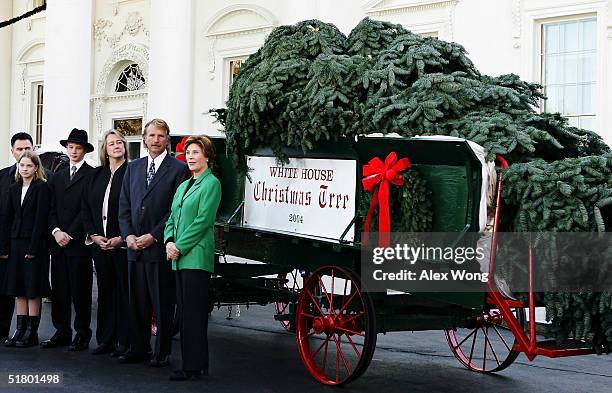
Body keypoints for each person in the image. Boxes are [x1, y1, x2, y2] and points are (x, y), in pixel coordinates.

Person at [118, 118, 189, 367]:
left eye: (160, 136)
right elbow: (124, 204)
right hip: (134, 247)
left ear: (167, 139)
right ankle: (138, 348)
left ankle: (162, 351)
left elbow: (176, 210)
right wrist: (127, 236)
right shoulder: (133, 167)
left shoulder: (178, 170)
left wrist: (154, 235)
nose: (155, 140)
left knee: (162, 302)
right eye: (151, 136)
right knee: (136, 302)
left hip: (158, 247)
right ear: (144, 139)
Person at [164, 136, 221, 381]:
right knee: (184, 313)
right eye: (188, 152)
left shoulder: (212, 184)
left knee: (193, 315)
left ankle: (193, 366)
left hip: (195, 258)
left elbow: (203, 221)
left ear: (207, 156)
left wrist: (180, 247)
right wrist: (168, 241)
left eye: (196, 152)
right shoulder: (184, 185)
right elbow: (171, 217)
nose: (190, 156)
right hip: (179, 257)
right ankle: (194, 363)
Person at [41, 128, 95, 351]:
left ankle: (82, 334)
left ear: (84, 150)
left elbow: (88, 209)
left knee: (81, 291)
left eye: (78, 148)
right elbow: (50, 208)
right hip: (58, 243)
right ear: (66, 148)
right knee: (60, 291)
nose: (73, 151)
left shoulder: (92, 174)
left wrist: (70, 233)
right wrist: (56, 231)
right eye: (70, 147)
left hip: (79, 244)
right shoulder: (58, 176)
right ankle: (61, 332)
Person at [82, 130, 129, 356]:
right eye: (112, 143)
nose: (117, 145)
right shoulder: (96, 174)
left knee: (123, 291)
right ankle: (105, 339)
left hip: (121, 243)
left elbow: (133, 209)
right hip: (99, 243)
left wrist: (121, 237)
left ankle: (123, 340)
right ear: (105, 149)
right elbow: (86, 208)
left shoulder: (131, 172)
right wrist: (92, 234)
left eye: (120, 142)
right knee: (104, 291)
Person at [0, 151, 50, 347]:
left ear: (36, 168)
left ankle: (31, 332)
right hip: (15, 243)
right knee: (18, 288)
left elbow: (40, 219)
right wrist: (4, 246)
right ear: (18, 167)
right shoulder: (13, 188)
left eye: (29, 165)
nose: (25, 169)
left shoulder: (41, 188)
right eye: (22, 165)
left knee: (32, 289)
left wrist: (34, 247)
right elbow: (7, 218)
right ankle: (19, 330)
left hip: (33, 244)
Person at [0, 133, 34, 342]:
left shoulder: (44, 177)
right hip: (6, 241)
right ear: (12, 151)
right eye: (19, 149)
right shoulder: (1, 176)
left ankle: (29, 331)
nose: (23, 152)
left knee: (28, 287)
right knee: (4, 287)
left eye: (27, 148)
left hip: (29, 242)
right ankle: (3, 328)